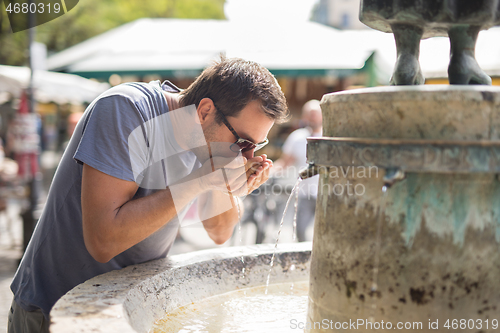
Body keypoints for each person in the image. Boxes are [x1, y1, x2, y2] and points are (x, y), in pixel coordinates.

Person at [8, 56, 288, 333]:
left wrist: (222, 183)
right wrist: (198, 182)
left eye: (257, 144)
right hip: (54, 311)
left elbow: (219, 231)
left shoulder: (207, 142)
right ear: (205, 111)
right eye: (243, 141)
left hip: (127, 311)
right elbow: (103, 240)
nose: (248, 155)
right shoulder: (125, 110)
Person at [274, 99, 322, 242]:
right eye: (309, 114)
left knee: (323, 232)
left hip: (325, 193)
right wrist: (268, 172)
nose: (312, 117)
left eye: (315, 114)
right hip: (304, 193)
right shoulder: (297, 137)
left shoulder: (330, 137)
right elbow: (285, 162)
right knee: (300, 231)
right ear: (304, 116)